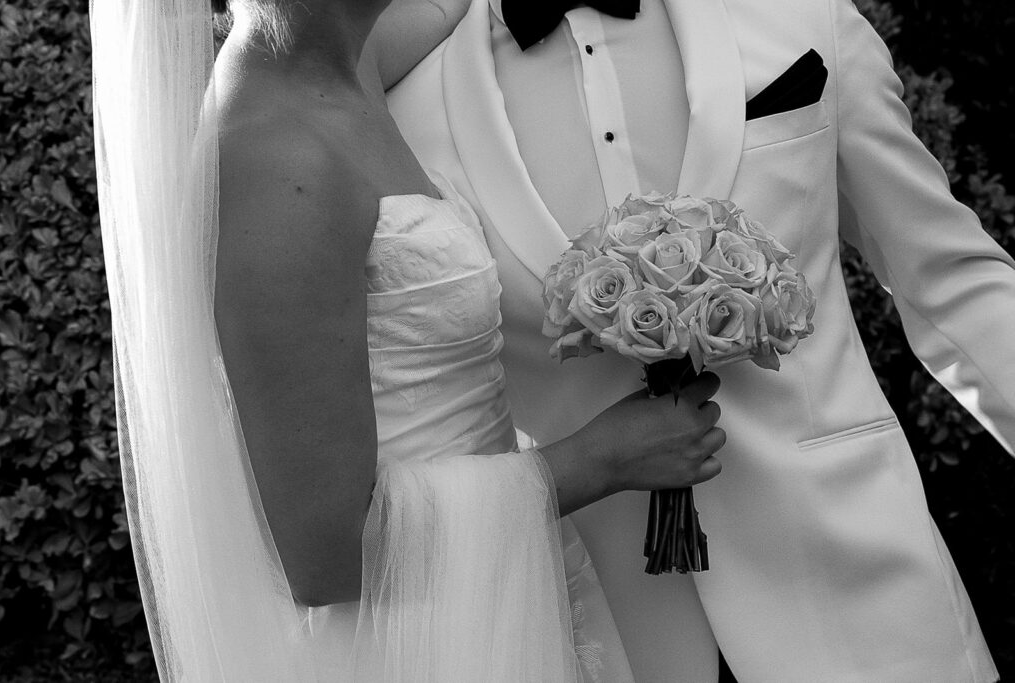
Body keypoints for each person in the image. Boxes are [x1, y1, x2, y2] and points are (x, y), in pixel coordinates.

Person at [90, 0, 727, 679]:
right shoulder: (272, 155)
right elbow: (325, 554)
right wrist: (596, 461)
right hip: (413, 645)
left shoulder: (345, 51)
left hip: (503, 595)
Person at [387, 0, 1015, 680]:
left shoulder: (802, 14)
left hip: (865, 601)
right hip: (599, 637)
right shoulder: (406, 99)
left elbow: (950, 280)